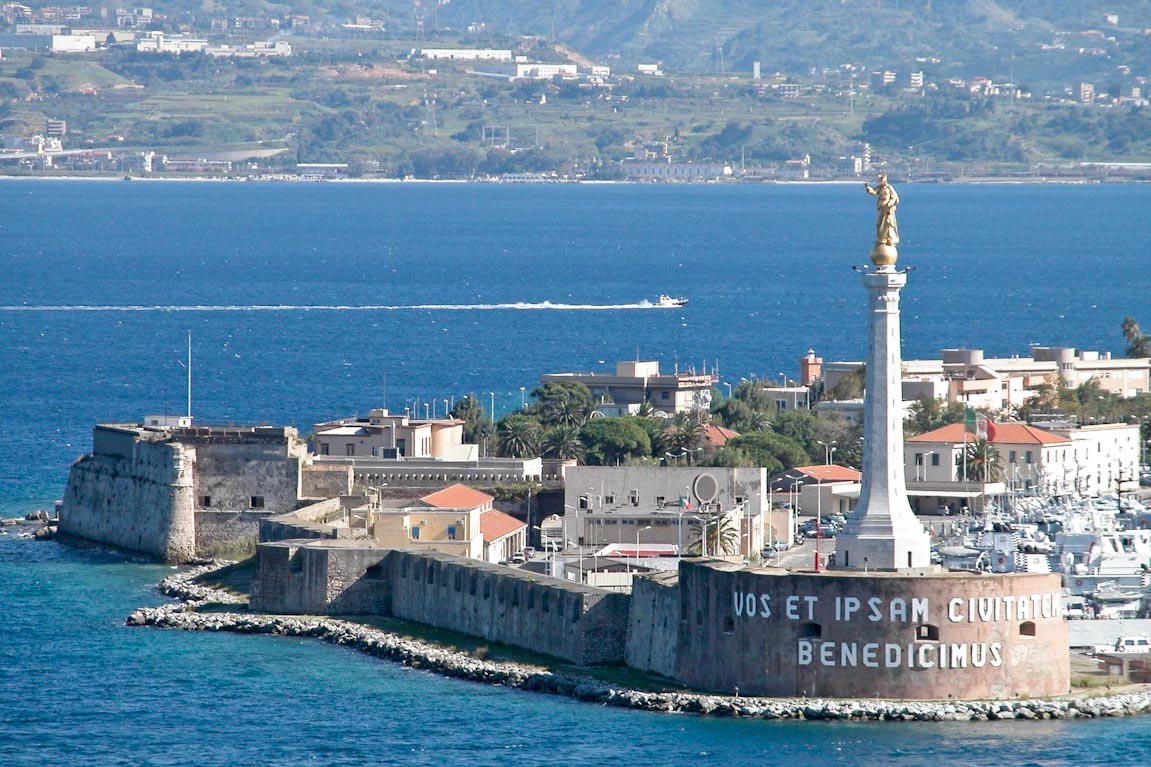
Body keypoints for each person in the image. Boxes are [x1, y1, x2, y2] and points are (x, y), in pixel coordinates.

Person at [864, 174, 899, 247]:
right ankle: (881, 237)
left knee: (888, 223)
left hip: (888, 208)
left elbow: (895, 198)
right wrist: (868, 188)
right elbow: (874, 192)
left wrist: (890, 204)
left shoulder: (889, 188)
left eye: (882, 180)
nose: (881, 181)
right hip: (881, 207)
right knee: (880, 223)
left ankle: (889, 238)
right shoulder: (880, 188)